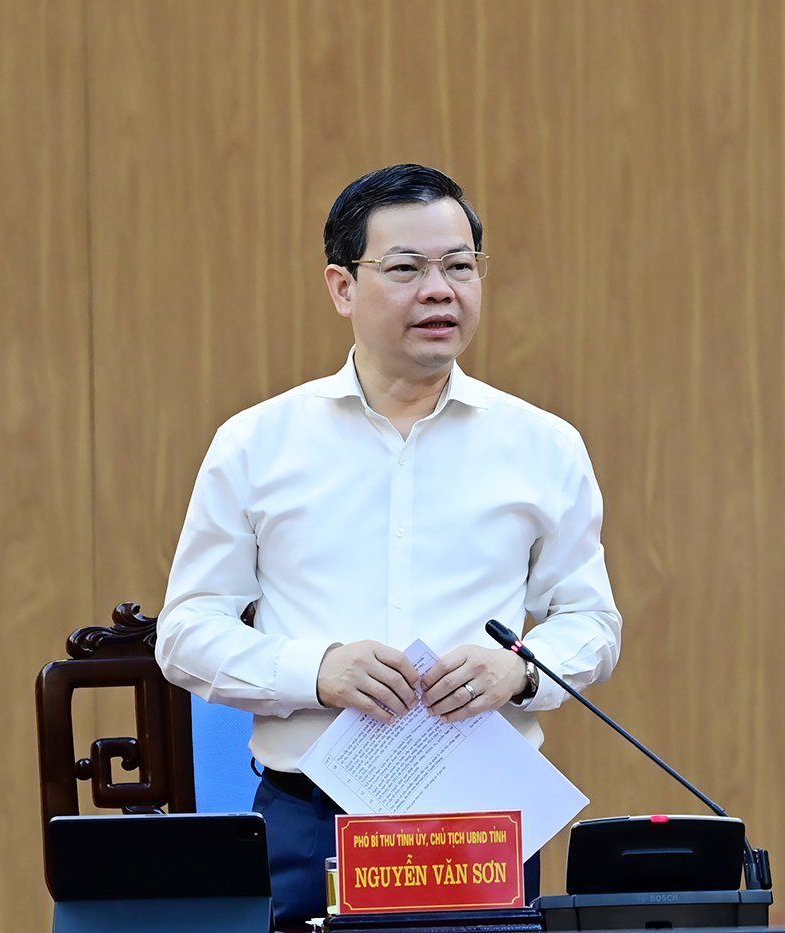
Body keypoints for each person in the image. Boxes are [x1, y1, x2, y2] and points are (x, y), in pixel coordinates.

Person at [155, 164, 623, 925]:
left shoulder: (544, 446)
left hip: (480, 823)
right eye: (405, 268)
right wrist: (318, 669)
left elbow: (593, 625)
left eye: (459, 267)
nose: (439, 290)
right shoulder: (257, 443)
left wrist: (518, 672)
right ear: (343, 287)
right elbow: (184, 635)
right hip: (312, 821)